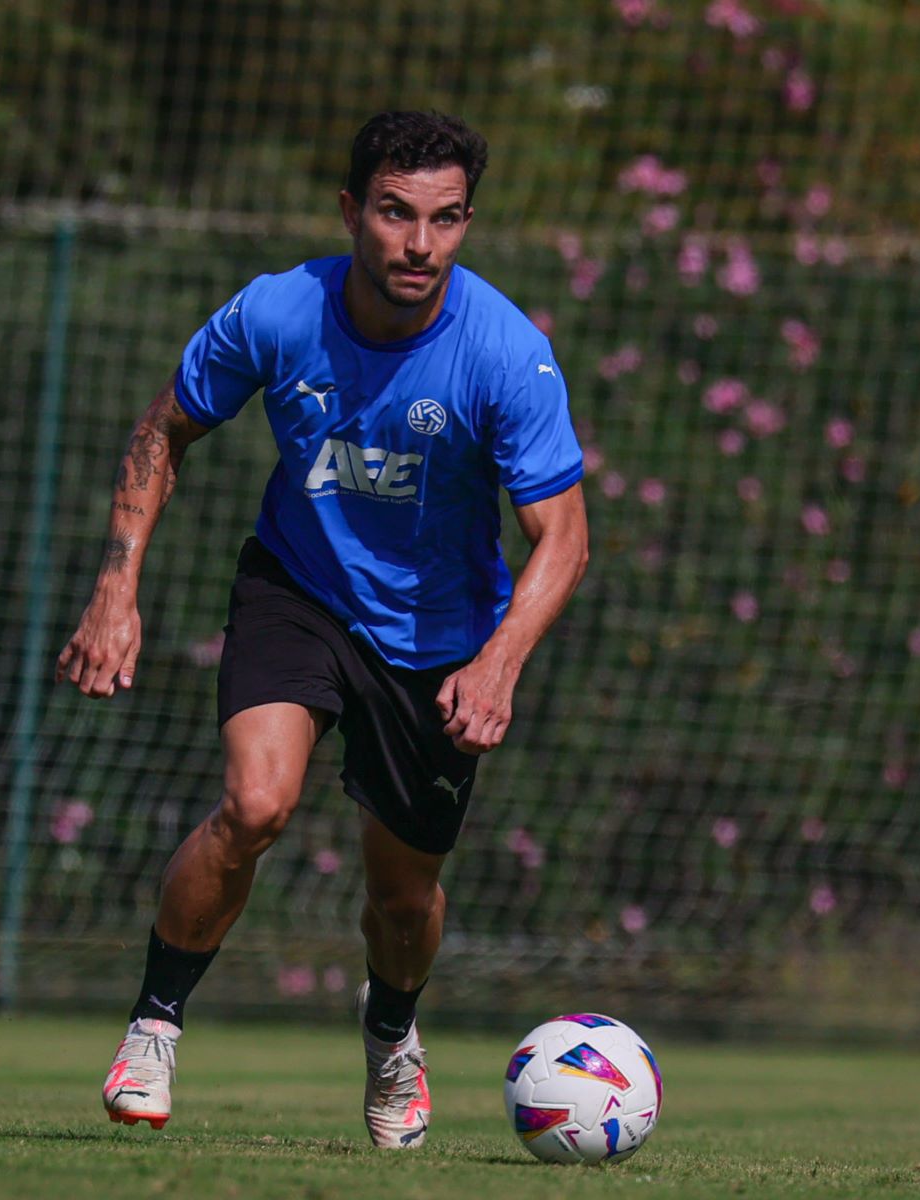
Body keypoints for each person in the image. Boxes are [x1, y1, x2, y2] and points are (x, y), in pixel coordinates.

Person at [55, 110, 589, 1149]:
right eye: (395, 213)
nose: (419, 244)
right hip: (297, 589)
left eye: (445, 219)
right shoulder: (278, 312)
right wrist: (116, 587)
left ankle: (391, 1036)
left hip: (440, 638)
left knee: (404, 896)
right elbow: (164, 427)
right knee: (255, 804)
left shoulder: (504, 352)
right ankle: (154, 1024)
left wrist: (498, 664)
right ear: (351, 212)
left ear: (467, 223)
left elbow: (562, 537)